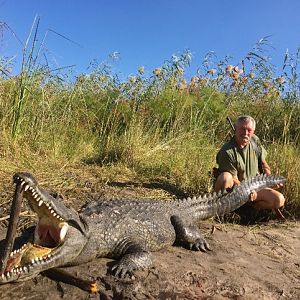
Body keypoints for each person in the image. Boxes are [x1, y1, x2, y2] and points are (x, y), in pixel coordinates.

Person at [214, 115, 285, 215]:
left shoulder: (255, 141)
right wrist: (247, 190)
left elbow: (264, 164)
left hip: (254, 186)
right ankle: (221, 210)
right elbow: (233, 179)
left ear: (253, 131)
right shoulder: (227, 151)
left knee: (279, 200)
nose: (246, 133)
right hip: (235, 190)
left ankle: (250, 210)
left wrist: (269, 179)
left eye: (249, 130)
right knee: (225, 178)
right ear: (236, 128)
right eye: (242, 129)